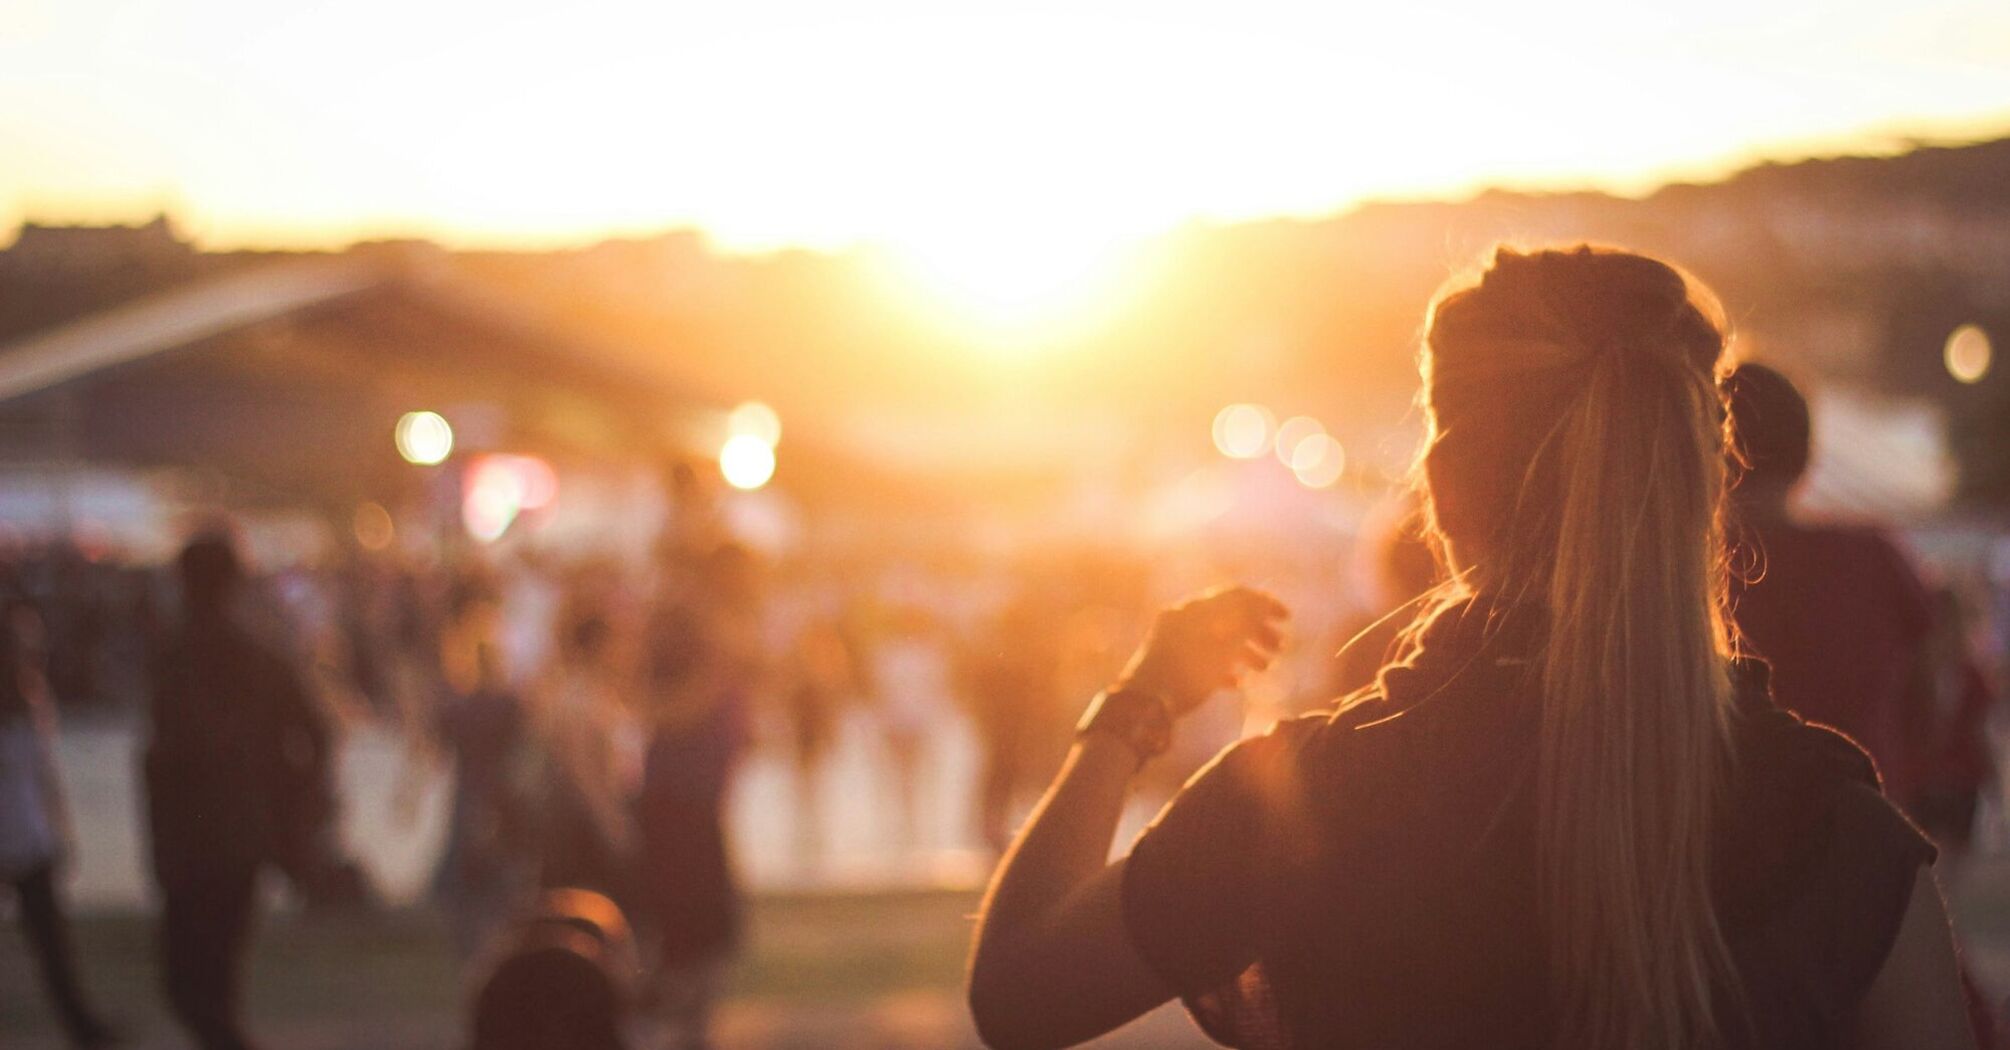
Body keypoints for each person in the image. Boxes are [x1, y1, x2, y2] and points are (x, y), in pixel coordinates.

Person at [968, 246, 1972, 1049]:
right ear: (1696, 491)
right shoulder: (1834, 832)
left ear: (1441, 496)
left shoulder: (1311, 802)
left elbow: (1017, 997)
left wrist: (1135, 707)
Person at [145, 531, 332, 1050]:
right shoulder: (261, 659)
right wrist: (293, 800)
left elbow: (167, 755)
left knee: (188, 986)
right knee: (212, 983)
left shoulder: (176, 658)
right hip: (243, 837)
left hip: (192, 841)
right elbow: (317, 734)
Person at [635, 543, 756, 1050]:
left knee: (709, 929)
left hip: (701, 798)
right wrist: (718, 664)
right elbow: (665, 709)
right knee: (691, 929)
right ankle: (683, 1031)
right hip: (679, 801)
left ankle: (692, 1029)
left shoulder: (718, 634)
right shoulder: (688, 634)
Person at [0, 594, 120, 1049]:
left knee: (53, 945)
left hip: (29, 839)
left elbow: (44, 776)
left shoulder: (30, 704)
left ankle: (83, 1025)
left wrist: (60, 830)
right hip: (26, 837)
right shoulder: (24, 707)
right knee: (52, 945)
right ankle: (81, 1024)